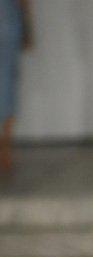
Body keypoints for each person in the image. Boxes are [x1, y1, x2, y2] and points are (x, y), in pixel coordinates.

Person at [0, 0, 32, 173]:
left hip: (8, 16)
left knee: (7, 81)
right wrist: (28, 29)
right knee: (7, 81)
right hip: (8, 15)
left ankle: (5, 150)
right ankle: (5, 149)